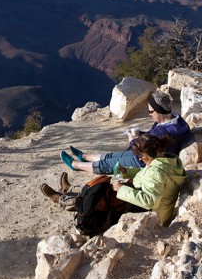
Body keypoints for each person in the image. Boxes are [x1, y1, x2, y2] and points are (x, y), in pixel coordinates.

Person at [61, 90, 190, 175]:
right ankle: (84, 157)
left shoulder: (163, 132)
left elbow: (139, 148)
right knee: (113, 156)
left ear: (159, 111)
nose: (149, 115)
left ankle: (75, 164)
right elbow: (153, 138)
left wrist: (131, 138)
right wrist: (142, 133)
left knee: (111, 164)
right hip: (149, 152)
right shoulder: (176, 120)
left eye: (151, 112)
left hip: (145, 160)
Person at [110, 133, 187, 226]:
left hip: (156, 218)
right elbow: (150, 172)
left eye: (140, 156)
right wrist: (126, 171)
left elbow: (149, 202)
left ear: (146, 156)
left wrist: (121, 189)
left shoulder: (155, 172)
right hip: (165, 208)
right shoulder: (169, 161)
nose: (139, 158)